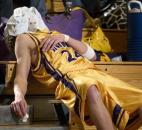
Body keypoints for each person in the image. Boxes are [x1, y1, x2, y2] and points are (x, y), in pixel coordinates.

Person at [5, 7, 142, 130]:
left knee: (139, 100)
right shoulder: (23, 39)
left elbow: (92, 55)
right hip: (71, 77)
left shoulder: (53, 34)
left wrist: (66, 37)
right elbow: (21, 76)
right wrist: (19, 96)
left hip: (92, 71)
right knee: (90, 88)